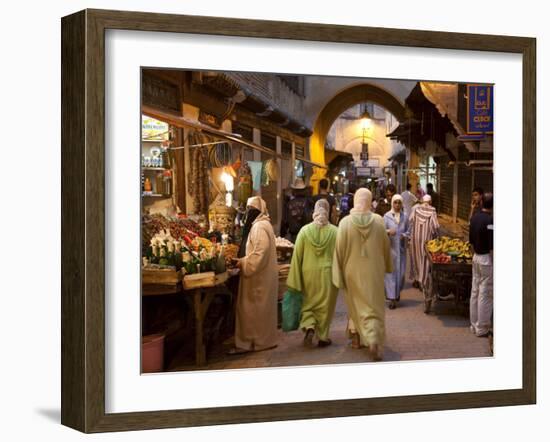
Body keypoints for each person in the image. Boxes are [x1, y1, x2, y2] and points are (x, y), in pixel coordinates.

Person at [332, 188, 392, 361]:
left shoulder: (345, 223)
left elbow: (339, 250)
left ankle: (357, 338)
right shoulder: (379, 221)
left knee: (355, 305)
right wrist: (387, 265)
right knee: (373, 306)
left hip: (352, 271)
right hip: (374, 270)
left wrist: (339, 272)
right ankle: (373, 339)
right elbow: (385, 247)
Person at [229, 196, 278, 354]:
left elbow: (259, 254)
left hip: (258, 280)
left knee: (251, 311)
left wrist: (243, 263)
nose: (248, 213)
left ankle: (251, 343)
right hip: (262, 278)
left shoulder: (259, 227)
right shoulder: (263, 225)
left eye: (251, 210)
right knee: (258, 311)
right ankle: (260, 341)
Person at [287, 199, 339, 347]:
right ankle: (323, 337)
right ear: (327, 212)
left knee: (309, 303)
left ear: (314, 211)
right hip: (328, 274)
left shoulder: (304, 231)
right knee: (325, 306)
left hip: (308, 273)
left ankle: (309, 326)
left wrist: (294, 277)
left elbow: (297, 256)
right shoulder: (335, 231)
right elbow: (340, 255)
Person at [408, 194, 440, 311]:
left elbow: (410, 221)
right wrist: (438, 237)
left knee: (417, 260)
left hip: (415, 242)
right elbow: (435, 226)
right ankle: (424, 282)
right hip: (427, 243)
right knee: (426, 263)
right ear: (430, 201)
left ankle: (419, 280)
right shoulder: (432, 211)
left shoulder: (416, 210)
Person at [469, 193, 493, 338]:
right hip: (486, 259)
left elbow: (471, 241)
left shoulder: (474, 218)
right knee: (485, 293)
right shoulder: (490, 220)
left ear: (482, 202)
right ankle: (482, 328)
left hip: (476, 257)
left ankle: (473, 324)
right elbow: (492, 246)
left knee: (475, 291)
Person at [384, 194, 410, 310]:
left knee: (401, 274)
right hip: (391, 250)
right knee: (391, 274)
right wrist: (388, 232)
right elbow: (381, 231)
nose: (397, 205)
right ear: (392, 203)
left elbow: (409, 232)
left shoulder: (405, 217)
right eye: (395, 202)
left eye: (399, 203)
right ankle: (392, 299)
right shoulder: (386, 217)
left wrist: (403, 236)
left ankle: (397, 293)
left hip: (401, 250)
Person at [280, 177, 313, 243]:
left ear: (294, 190)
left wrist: (282, 236)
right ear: (304, 190)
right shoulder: (309, 202)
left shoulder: (289, 204)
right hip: (307, 234)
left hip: (294, 236)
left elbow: (284, 221)